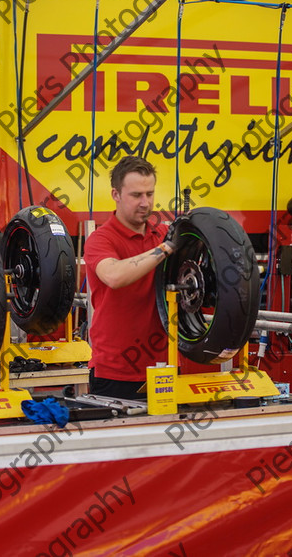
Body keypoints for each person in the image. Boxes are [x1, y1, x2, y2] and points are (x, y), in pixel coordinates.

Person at [84, 155, 181, 400]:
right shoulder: (101, 239)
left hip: (165, 365)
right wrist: (166, 248)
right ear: (116, 194)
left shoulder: (164, 233)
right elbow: (114, 275)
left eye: (150, 194)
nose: (145, 203)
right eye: (136, 195)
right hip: (115, 372)